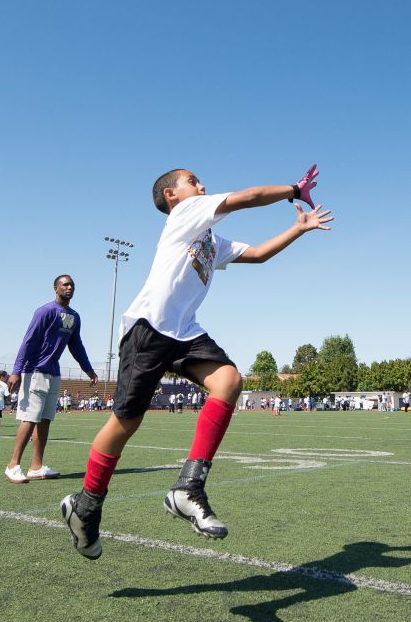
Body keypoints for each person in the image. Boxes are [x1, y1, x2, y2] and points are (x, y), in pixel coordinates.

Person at [60, 164, 332, 559]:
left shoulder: (210, 239)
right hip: (149, 329)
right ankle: (85, 505)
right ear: (172, 196)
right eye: (192, 181)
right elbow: (248, 197)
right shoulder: (186, 215)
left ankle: (188, 488)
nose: (201, 185)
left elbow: (256, 255)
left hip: (184, 332)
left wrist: (299, 229)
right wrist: (293, 189)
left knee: (229, 381)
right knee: (126, 423)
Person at [5, 275, 98, 483]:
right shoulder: (45, 311)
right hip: (34, 370)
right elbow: (28, 341)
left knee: (45, 420)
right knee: (30, 418)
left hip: (53, 373)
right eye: (65, 284)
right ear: (56, 288)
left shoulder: (74, 316)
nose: (69, 287)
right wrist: (16, 370)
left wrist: (88, 370)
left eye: (72, 284)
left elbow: (76, 346)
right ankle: (13, 465)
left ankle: (36, 467)